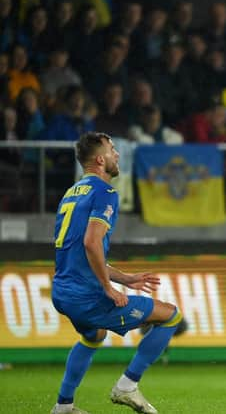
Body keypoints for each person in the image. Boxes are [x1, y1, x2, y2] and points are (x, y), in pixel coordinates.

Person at [50, 132, 182, 414]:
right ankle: (127, 386)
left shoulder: (71, 193)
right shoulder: (105, 192)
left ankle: (63, 405)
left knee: (94, 335)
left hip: (62, 291)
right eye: (112, 150)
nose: (117, 155)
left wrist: (125, 278)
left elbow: (79, 254)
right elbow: (91, 242)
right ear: (100, 159)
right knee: (171, 316)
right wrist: (109, 289)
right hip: (87, 296)